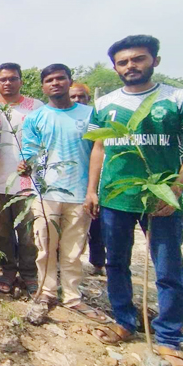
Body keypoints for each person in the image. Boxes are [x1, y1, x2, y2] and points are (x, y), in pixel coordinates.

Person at [85, 35, 183, 366]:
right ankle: (123, 320)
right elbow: (99, 150)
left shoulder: (178, 98)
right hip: (116, 197)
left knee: (168, 269)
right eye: (123, 62)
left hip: (161, 199)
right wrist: (92, 190)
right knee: (116, 263)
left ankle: (168, 338)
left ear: (155, 60)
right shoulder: (105, 103)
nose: (130, 66)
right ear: (115, 67)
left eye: (138, 59)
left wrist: (175, 191)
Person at [19, 63, 108, 323]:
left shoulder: (90, 115)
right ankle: (46, 292)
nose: (55, 83)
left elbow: (97, 151)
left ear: (70, 81)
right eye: (49, 80)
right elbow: (30, 150)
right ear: (44, 86)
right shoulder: (36, 118)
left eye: (60, 79)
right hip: (46, 192)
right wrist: (25, 165)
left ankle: (72, 295)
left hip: (80, 193)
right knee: (45, 246)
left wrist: (93, 190)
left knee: (73, 249)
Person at [0, 63, 43, 295]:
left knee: (28, 231)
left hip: (27, 182)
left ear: (21, 81)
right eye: (3, 79)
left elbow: (44, 142)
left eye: (13, 78)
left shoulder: (36, 107)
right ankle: (8, 270)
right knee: (2, 232)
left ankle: (29, 272)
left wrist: (34, 163)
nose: (8, 83)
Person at [69, 82, 105, 275]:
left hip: (94, 177)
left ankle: (98, 262)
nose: (77, 100)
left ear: (88, 98)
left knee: (96, 221)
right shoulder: (64, 116)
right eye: (73, 97)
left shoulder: (95, 117)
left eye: (81, 96)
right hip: (70, 179)